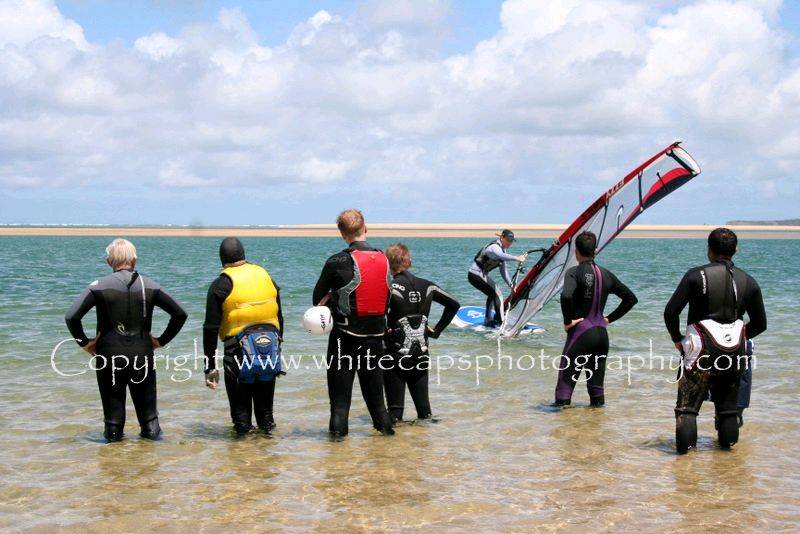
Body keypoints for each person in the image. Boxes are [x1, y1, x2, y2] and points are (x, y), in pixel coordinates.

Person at [65, 238, 187, 442]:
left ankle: (113, 466)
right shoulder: (150, 285)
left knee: (113, 422)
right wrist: (161, 341)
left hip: (109, 357)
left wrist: (85, 343)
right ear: (135, 260)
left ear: (108, 262)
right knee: (149, 420)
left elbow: (71, 317)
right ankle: (150, 463)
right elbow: (180, 314)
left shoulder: (98, 286)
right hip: (142, 355)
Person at [664, 228, 766, 454]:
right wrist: (738, 336)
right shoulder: (749, 281)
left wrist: (677, 339)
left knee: (687, 410)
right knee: (728, 410)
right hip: (735, 349)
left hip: (701, 347)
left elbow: (671, 312)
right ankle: (727, 459)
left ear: (709, 249)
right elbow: (760, 324)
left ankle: (685, 463)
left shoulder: (694, 276)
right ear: (736, 250)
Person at [312, 209, 394, 438]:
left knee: (339, 406)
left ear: (342, 234)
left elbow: (316, 300)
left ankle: (337, 463)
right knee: (378, 404)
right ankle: (391, 452)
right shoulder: (385, 259)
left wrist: (331, 299)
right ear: (365, 228)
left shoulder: (336, 261)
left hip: (343, 339)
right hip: (376, 339)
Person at [203, 237, 285, 435]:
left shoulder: (221, 284)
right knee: (266, 415)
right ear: (243, 255)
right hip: (268, 350)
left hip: (237, 354)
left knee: (241, 418)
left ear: (222, 260)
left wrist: (210, 367)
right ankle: (267, 454)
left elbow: (210, 329)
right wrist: (278, 348)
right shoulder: (267, 277)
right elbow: (280, 317)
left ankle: (242, 458)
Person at [555, 231, 637, 407]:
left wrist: (567, 321)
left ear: (576, 251)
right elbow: (631, 299)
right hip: (601, 336)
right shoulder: (607, 274)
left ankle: (564, 431)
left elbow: (566, 296)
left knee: (563, 392)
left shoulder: (573, 272)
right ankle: (597, 429)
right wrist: (608, 319)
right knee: (597, 393)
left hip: (580, 335)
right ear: (596, 251)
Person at [384, 243, 460, 422]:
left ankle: (392, 449)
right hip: (421, 355)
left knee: (395, 415)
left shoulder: (389, 287)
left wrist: (382, 331)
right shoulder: (428, 286)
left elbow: (374, 313)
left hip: (395, 356)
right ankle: (425, 447)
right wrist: (437, 331)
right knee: (425, 413)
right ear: (409, 262)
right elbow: (454, 305)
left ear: (388, 264)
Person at [467, 229, 526, 327]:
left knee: (492, 293)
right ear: (501, 238)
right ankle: (501, 322)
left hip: (478, 275)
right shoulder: (494, 247)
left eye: (511, 241)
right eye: (507, 240)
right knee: (497, 293)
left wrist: (511, 285)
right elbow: (500, 255)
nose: (509, 243)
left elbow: (503, 271)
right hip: (475, 274)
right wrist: (517, 258)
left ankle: (488, 319)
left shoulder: (503, 250)